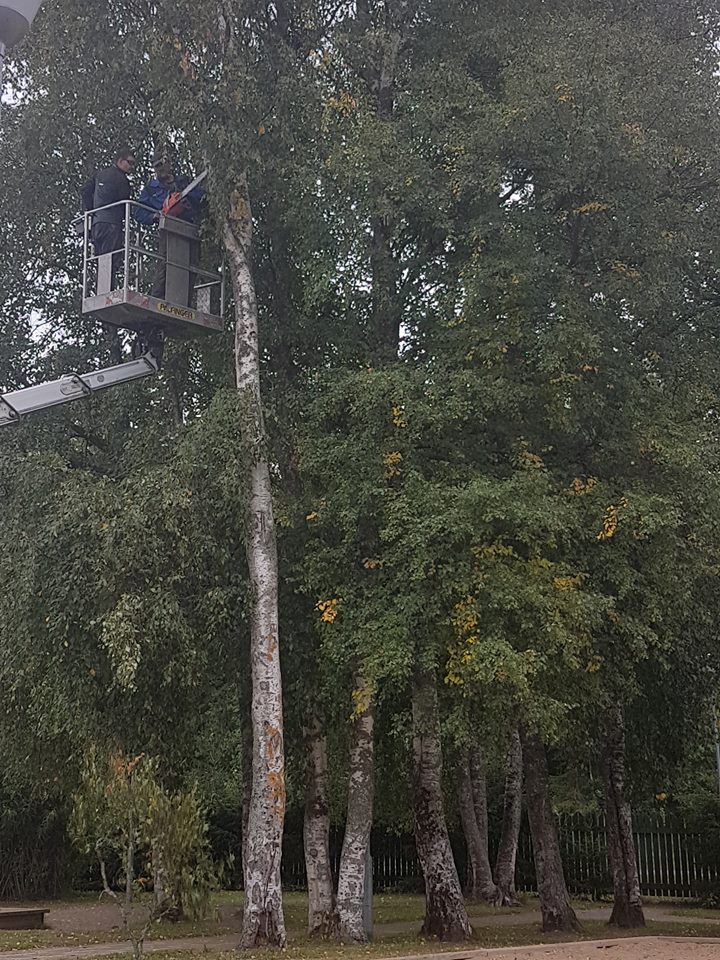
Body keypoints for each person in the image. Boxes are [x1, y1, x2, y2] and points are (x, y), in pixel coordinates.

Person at [134, 147, 204, 302]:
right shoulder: (150, 190)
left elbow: (202, 198)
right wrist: (154, 216)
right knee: (164, 267)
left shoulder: (184, 182)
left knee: (191, 267)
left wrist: (187, 199)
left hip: (189, 229)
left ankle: (185, 301)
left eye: (163, 164)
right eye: (157, 165)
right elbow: (138, 213)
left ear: (169, 164)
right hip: (167, 230)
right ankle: (158, 299)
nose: (160, 168)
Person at [81, 147, 136, 278]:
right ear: (120, 161)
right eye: (130, 163)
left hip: (97, 224)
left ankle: (101, 286)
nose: (132, 167)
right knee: (111, 260)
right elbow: (124, 203)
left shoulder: (100, 175)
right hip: (112, 224)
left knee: (101, 260)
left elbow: (85, 191)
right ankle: (108, 288)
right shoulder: (122, 180)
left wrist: (92, 210)